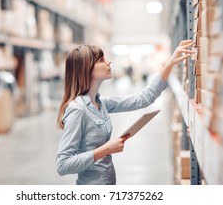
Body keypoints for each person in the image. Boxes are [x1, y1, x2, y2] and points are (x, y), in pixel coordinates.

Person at [56, 40, 194, 185]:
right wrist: (105, 149)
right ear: (87, 69)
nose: (108, 62)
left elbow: (143, 99)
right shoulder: (77, 110)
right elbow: (62, 164)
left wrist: (169, 64)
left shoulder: (101, 103)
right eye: (101, 60)